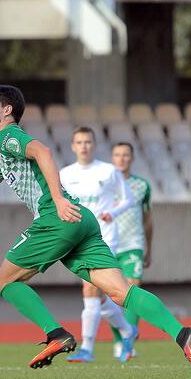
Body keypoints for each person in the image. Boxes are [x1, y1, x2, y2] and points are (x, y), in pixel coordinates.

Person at [0, 85, 191, 379]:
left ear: (7, 111)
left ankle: (56, 334)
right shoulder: (1, 151)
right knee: (121, 292)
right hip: (81, 219)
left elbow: (42, 151)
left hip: (56, 217)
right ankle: (183, 334)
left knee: (4, 281)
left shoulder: (9, 136)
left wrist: (57, 199)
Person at [58, 128, 136, 363]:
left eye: (88, 142)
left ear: (94, 144)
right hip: (78, 240)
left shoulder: (109, 171)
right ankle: (126, 330)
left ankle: (87, 349)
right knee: (100, 297)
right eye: (79, 142)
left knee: (90, 290)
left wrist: (112, 212)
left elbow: (128, 199)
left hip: (105, 238)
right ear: (73, 146)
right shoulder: (65, 174)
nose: (84, 146)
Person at [108, 142, 153, 358]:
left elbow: (147, 219)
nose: (122, 158)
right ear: (112, 158)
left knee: (133, 289)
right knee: (113, 295)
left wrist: (148, 248)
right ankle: (119, 339)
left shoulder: (142, 185)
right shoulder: (105, 183)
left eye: (126, 155)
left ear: (132, 159)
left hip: (133, 245)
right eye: (118, 154)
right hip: (108, 244)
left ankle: (128, 341)